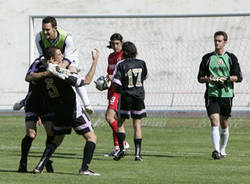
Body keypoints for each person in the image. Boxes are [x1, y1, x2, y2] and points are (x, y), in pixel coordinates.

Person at [33, 46, 100, 175]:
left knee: (56, 140)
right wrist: (95, 61)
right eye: (59, 54)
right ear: (52, 59)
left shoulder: (43, 73)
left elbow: (32, 78)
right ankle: (84, 169)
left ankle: (39, 166)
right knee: (92, 138)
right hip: (72, 111)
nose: (62, 56)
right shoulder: (61, 73)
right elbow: (86, 81)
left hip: (58, 112)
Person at [13, 16, 93, 114]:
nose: (45, 32)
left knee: (72, 71)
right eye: (43, 29)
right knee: (37, 78)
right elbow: (42, 56)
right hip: (50, 60)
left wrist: (59, 69)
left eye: (47, 30)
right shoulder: (39, 37)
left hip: (67, 58)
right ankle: (26, 100)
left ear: (55, 29)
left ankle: (87, 104)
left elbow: (67, 58)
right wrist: (50, 68)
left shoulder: (67, 38)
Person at [197, 31, 243, 159]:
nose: (217, 43)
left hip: (226, 94)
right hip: (212, 94)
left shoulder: (231, 58)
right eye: (215, 41)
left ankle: (222, 149)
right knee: (214, 120)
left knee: (224, 123)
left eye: (219, 41)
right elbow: (200, 78)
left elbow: (238, 77)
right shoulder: (207, 58)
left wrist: (225, 78)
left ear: (225, 42)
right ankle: (216, 151)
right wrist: (208, 80)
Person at [18, 57, 55, 173]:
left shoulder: (61, 64)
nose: (61, 56)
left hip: (47, 104)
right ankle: (23, 162)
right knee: (31, 134)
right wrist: (46, 73)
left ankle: (46, 160)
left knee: (51, 133)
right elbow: (28, 77)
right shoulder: (38, 62)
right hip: (33, 102)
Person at [112, 41, 148, 161]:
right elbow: (145, 77)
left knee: (120, 122)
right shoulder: (142, 63)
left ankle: (122, 149)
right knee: (137, 124)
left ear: (124, 52)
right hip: (138, 96)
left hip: (126, 96)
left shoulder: (121, 64)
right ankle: (138, 154)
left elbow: (116, 82)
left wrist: (113, 88)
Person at [104, 33, 129, 157]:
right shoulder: (110, 56)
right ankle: (117, 146)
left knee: (109, 117)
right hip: (112, 89)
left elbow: (125, 73)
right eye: (113, 44)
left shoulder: (124, 56)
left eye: (117, 44)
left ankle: (123, 143)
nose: (115, 46)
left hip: (119, 90)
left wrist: (112, 77)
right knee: (116, 120)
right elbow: (109, 72)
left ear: (122, 43)